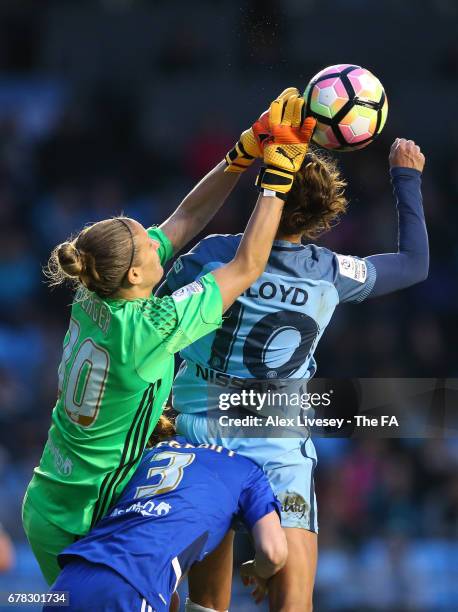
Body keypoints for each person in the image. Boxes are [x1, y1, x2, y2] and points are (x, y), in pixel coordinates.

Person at [22, 89, 316, 585]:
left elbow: (183, 220)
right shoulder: (149, 329)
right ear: (136, 276)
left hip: (49, 504)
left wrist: (241, 153)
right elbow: (247, 266)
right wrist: (277, 180)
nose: (162, 247)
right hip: (88, 518)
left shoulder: (94, 289)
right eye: (149, 246)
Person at [157, 136, 428, 611]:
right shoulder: (330, 270)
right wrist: (406, 176)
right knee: (293, 603)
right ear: (323, 214)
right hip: (277, 434)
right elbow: (414, 265)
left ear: (266, 190)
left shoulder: (211, 257)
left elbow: (158, 326)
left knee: (206, 605)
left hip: (199, 425)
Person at [43, 415, 287, 612]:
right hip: (131, 589)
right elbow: (273, 552)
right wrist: (258, 569)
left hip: (69, 582)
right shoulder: (248, 471)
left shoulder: (149, 456)